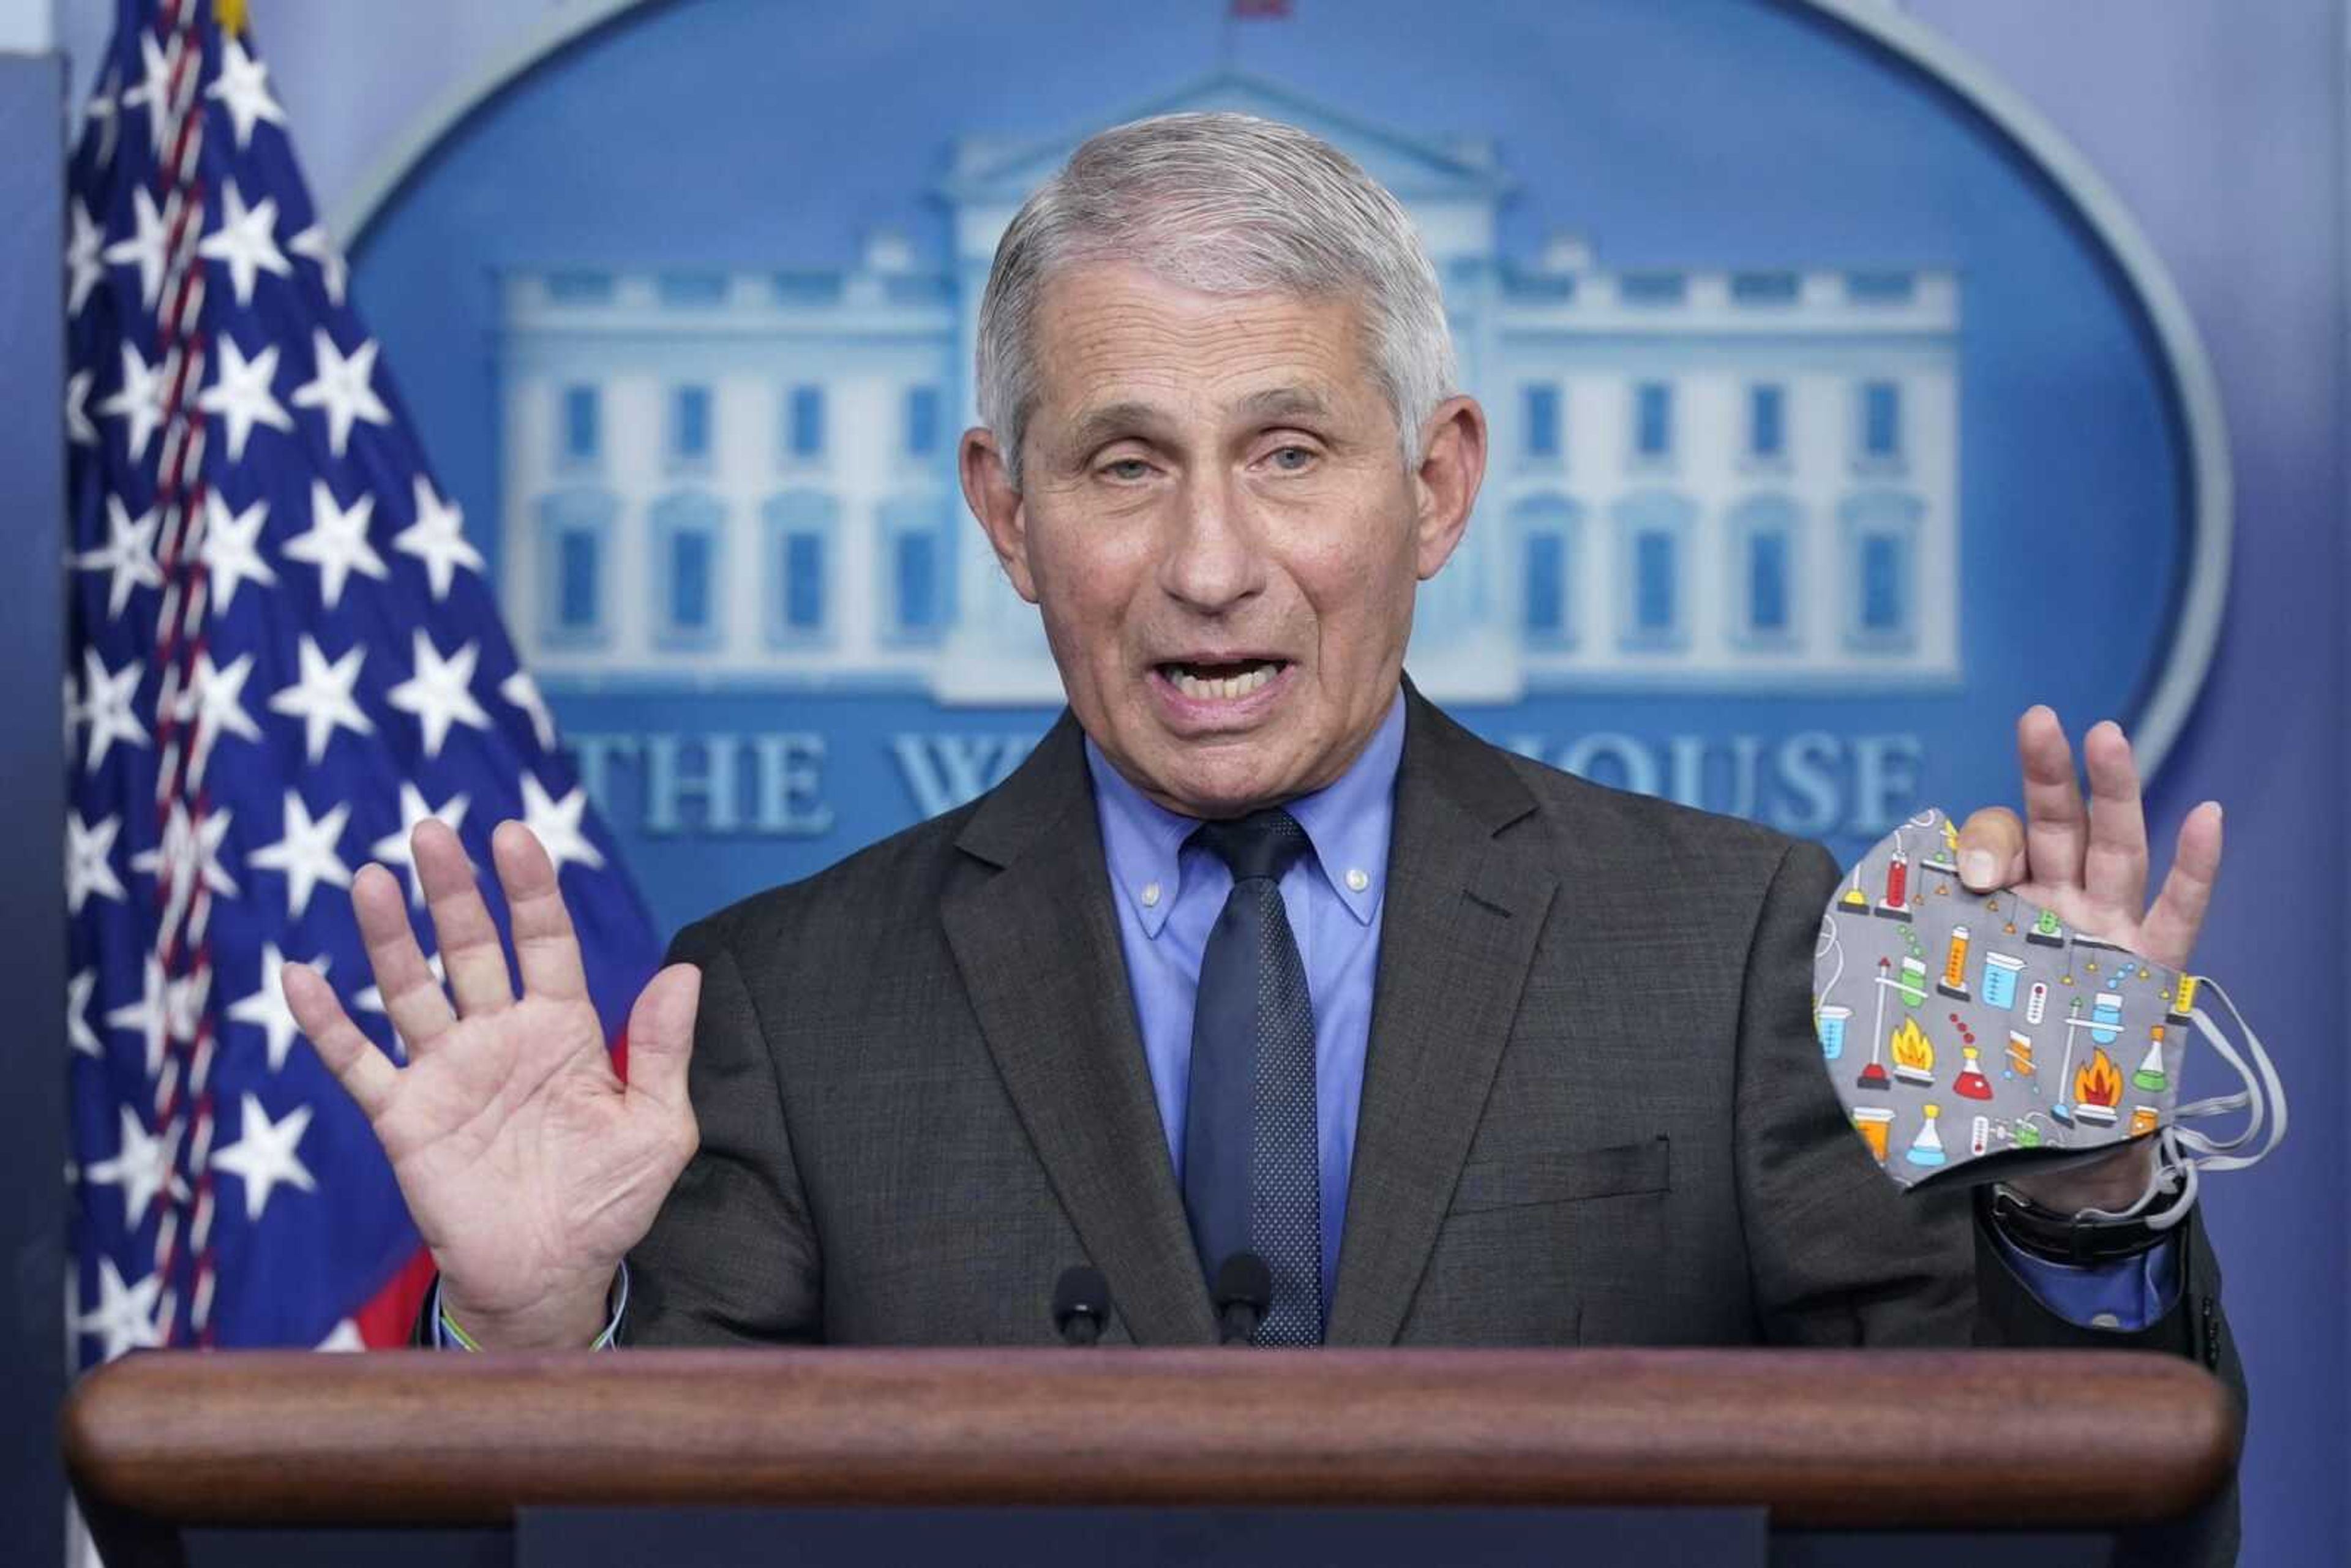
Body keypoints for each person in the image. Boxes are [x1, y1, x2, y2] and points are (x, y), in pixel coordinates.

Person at [283, 109, 2240, 1541]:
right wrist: (535, 1330)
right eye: (1126, 463)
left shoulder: (1736, 946)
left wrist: (2077, 1203)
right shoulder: (790, 1000)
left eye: (1289, 455)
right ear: (1005, 512)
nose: (1211, 565)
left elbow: (2028, 1527)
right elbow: (633, 1544)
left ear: (1437, 484)